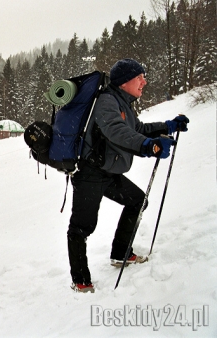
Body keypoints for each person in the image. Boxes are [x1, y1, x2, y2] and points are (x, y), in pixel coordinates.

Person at [67, 58, 190, 293]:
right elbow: (116, 130)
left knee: (137, 200)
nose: (144, 81)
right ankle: (80, 280)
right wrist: (148, 146)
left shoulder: (122, 102)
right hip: (89, 174)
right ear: (124, 82)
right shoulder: (106, 101)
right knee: (81, 227)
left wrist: (168, 126)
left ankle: (121, 253)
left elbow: (137, 129)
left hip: (108, 171)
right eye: (140, 77)